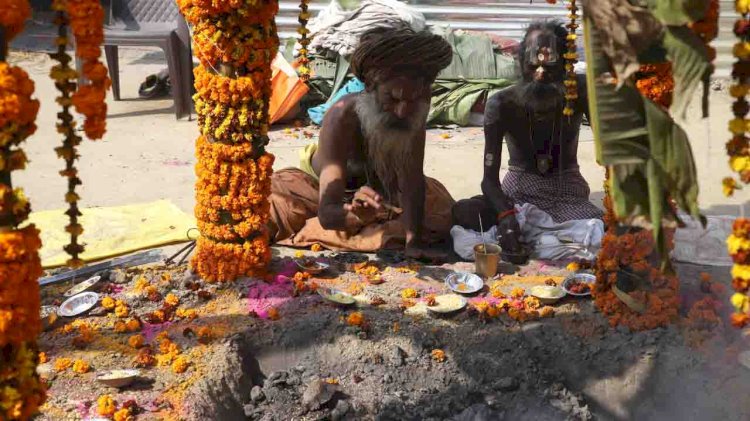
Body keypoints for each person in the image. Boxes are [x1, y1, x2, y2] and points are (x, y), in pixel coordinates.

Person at [268, 26, 455, 261]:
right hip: (316, 191)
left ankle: (334, 234)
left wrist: (414, 241)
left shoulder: (414, 107)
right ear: (369, 88)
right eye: (392, 98)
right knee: (272, 208)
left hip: (381, 193)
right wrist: (356, 216)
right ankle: (353, 231)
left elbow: (412, 178)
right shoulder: (342, 115)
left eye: (413, 98)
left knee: (441, 212)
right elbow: (328, 212)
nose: (402, 110)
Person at [452, 20, 603, 252]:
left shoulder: (580, 92)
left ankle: (542, 235)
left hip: (568, 190)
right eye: (533, 65)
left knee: (609, 229)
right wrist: (506, 214)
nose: (540, 73)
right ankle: (534, 233)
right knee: (465, 212)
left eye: (550, 65)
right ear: (520, 62)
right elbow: (489, 181)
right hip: (520, 192)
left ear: (566, 65)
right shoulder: (501, 104)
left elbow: (610, 154)